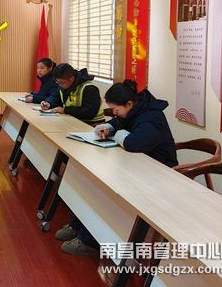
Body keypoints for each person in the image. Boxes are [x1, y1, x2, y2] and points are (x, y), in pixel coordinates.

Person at [56, 80, 178, 256]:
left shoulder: (152, 117)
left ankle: (88, 241)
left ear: (129, 104)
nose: (114, 113)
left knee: (105, 191)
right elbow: (121, 122)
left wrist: (119, 133)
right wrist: (109, 127)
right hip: (137, 165)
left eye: (116, 109)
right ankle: (78, 226)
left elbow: (133, 143)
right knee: (93, 184)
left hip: (159, 172)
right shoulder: (136, 109)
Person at [40, 63, 105, 125]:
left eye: (62, 82)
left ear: (71, 79)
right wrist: (48, 103)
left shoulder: (89, 88)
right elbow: (55, 96)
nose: (59, 85)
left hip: (93, 124)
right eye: (57, 82)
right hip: (74, 120)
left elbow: (89, 112)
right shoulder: (64, 85)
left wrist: (65, 110)